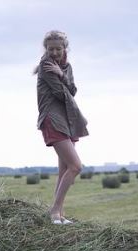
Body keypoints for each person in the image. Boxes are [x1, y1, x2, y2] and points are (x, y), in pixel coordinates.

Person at [34, 30, 89, 225]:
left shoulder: (66, 67)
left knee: (64, 170)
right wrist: (60, 75)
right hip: (53, 119)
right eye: (51, 49)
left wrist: (62, 74)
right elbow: (60, 94)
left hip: (68, 120)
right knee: (75, 166)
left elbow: (72, 91)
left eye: (58, 49)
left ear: (65, 48)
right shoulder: (46, 66)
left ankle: (59, 214)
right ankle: (54, 210)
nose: (55, 52)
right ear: (46, 49)